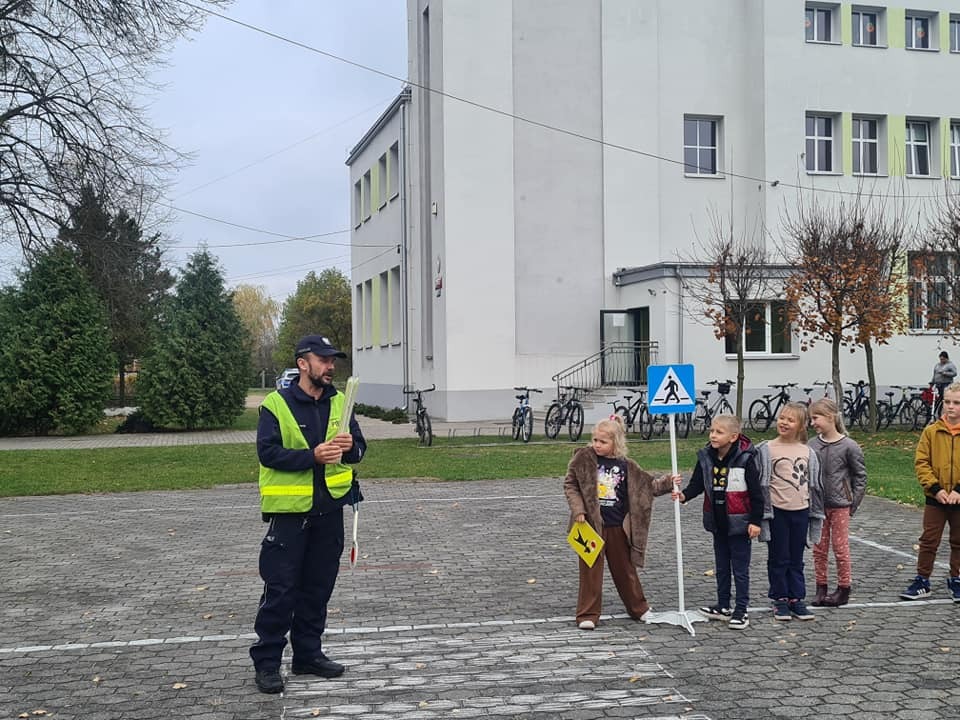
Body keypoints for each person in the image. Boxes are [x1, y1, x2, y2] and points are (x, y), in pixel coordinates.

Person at [250, 335, 366, 694]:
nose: (331, 366)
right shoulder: (276, 404)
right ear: (303, 363)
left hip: (329, 511)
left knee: (317, 590)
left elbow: (359, 449)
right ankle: (267, 664)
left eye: (333, 361)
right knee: (281, 592)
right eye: (323, 359)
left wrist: (350, 450)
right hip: (289, 516)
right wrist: (311, 457)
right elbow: (267, 453)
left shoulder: (340, 402)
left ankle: (308, 655)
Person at [563, 415, 680, 630]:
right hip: (590, 527)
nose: (597, 445)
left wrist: (667, 483)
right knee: (590, 571)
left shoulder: (627, 466)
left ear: (615, 443)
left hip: (618, 527)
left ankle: (639, 608)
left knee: (625, 569)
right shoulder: (583, 459)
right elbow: (570, 485)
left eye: (603, 441)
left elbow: (648, 487)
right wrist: (578, 509)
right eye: (595, 440)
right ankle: (587, 614)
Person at [676, 415, 762, 630]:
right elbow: (697, 484)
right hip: (717, 522)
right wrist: (684, 495)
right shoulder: (706, 457)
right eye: (712, 431)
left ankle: (741, 610)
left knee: (740, 569)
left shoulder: (746, 458)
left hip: (740, 524)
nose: (713, 435)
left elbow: (756, 493)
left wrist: (755, 521)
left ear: (733, 437)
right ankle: (723, 605)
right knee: (722, 567)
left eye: (719, 432)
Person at [757, 402, 823, 621]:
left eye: (790, 420)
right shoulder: (766, 449)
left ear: (802, 425)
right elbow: (760, 481)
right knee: (778, 557)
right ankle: (780, 599)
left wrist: (815, 511)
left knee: (796, 557)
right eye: (782, 418)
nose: (784, 422)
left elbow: (814, 484)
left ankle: (797, 598)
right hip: (777, 512)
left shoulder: (807, 452)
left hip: (801, 511)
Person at [900, 381, 960, 603]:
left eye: (956, 403)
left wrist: (958, 491)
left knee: (958, 541)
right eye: (947, 402)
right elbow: (921, 462)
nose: (950, 407)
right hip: (936, 499)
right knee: (929, 540)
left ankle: (957, 579)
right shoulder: (931, 432)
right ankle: (922, 580)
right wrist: (935, 489)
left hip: (959, 500)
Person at [808, 398, 867, 608]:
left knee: (840, 548)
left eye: (816, 417)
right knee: (819, 548)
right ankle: (821, 587)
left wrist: (853, 503)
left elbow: (860, 476)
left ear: (830, 417)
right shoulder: (812, 445)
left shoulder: (849, 446)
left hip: (841, 505)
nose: (813, 422)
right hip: (818, 506)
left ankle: (844, 588)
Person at [930, 352, 958, 419]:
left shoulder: (950, 365)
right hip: (938, 384)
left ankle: (944, 412)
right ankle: (936, 412)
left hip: (946, 384)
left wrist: (945, 373)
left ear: (946, 358)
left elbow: (954, 373)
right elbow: (935, 374)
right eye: (940, 359)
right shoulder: (937, 365)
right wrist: (932, 382)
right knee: (939, 399)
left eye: (943, 359)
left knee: (944, 398)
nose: (941, 361)